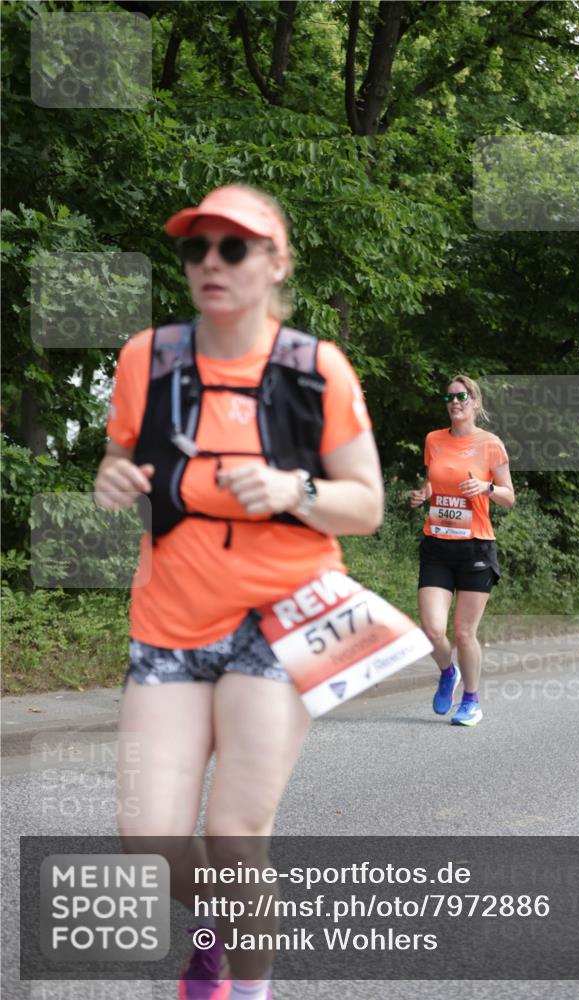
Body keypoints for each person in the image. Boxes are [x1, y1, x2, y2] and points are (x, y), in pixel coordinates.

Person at [94, 184, 384, 1000]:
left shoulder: (315, 368)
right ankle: (221, 923)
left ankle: (247, 990)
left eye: (233, 247)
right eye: (197, 248)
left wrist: (295, 489)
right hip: (171, 619)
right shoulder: (148, 358)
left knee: (233, 835)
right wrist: (113, 479)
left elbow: (366, 506)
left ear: (276, 262)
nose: (210, 263)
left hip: (285, 615)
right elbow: (118, 456)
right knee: (149, 841)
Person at [409, 375, 514, 726]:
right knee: (432, 630)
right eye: (449, 397)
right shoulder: (433, 440)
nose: (454, 402)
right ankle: (447, 672)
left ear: (475, 402)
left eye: (462, 396)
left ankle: (471, 701)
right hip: (437, 545)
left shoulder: (491, 444)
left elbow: (509, 496)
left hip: (475, 548)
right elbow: (434, 480)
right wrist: (423, 494)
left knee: (464, 632)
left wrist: (486, 487)